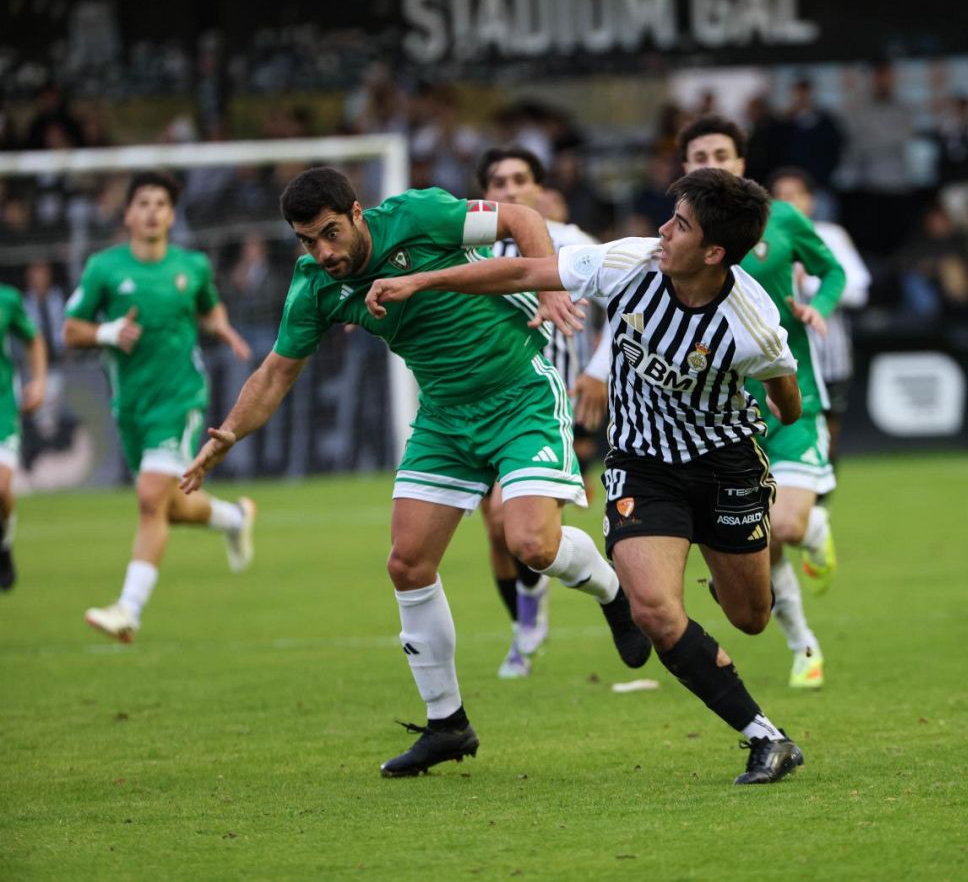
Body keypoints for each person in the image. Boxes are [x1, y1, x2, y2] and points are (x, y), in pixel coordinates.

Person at [179, 166, 649, 778]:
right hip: (444, 418)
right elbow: (275, 373)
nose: (322, 252)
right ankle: (446, 723)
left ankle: (612, 592)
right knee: (407, 563)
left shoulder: (420, 214)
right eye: (306, 241)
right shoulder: (316, 288)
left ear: (355, 212)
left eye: (328, 234)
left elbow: (521, 219)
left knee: (531, 543)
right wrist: (229, 434)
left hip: (519, 395)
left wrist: (551, 285)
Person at [366, 167, 807, 785]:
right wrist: (423, 279)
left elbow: (786, 392)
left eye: (679, 224)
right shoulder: (629, 263)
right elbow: (522, 271)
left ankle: (733, 574)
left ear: (713, 252)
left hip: (725, 464)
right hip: (641, 465)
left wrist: (785, 417)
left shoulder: (749, 322)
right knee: (655, 610)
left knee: (750, 616)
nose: (662, 229)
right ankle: (767, 737)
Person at [678, 115, 845, 690]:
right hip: (723, 414)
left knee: (788, 527)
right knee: (761, 537)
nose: (711, 160)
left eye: (721, 151)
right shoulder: (679, 239)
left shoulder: (784, 219)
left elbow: (833, 268)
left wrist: (818, 302)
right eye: (699, 153)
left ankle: (815, 526)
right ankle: (803, 645)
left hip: (792, 400)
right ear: (685, 167)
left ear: (741, 163)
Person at [64, 171, 256, 641]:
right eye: (143, 203)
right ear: (128, 214)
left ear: (171, 216)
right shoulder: (104, 269)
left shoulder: (191, 267)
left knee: (150, 499)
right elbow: (71, 331)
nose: (152, 211)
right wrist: (107, 333)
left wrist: (223, 328)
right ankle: (235, 518)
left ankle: (128, 610)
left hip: (180, 397)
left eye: (161, 204)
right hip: (130, 405)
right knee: (166, 507)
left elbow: (208, 308)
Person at [475, 145, 600, 678]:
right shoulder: (467, 250)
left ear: (539, 189)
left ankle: (533, 620)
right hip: (480, 408)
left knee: (515, 519)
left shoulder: (574, 245)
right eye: (498, 182)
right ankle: (526, 618)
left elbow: (636, 301)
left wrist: (601, 370)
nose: (509, 190)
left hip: (553, 406)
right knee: (496, 528)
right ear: (486, 195)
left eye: (519, 179)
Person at [767, 168, 871, 465]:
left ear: (810, 200)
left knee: (828, 431)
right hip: (781, 354)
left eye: (795, 195)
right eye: (779, 196)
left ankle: (820, 503)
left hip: (829, 353)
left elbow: (859, 288)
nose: (787, 203)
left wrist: (810, 286)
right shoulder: (763, 237)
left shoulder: (831, 236)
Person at [0, 281, 47, 590]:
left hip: (2, 407)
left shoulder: (7, 298)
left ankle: (4, 543)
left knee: (1, 489)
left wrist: (39, 380)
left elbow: (33, 339)